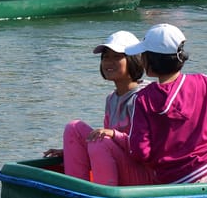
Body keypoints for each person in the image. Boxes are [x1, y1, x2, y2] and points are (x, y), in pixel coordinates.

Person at [124, 24, 207, 184]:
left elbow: (140, 152)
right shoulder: (205, 84)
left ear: (150, 59)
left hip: (172, 180)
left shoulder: (142, 99)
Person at [46, 30, 152, 186]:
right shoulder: (111, 98)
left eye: (116, 57)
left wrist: (113, 135)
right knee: (74, 128)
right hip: (122, 163)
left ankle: (105, 197)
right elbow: (111, 143)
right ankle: (77, 190)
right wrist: (75, 151)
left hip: (143, 174)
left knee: (99, 142)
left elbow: (146, 147)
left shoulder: (145, 97)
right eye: (105, 57)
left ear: (133, 60)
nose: (109, 62)